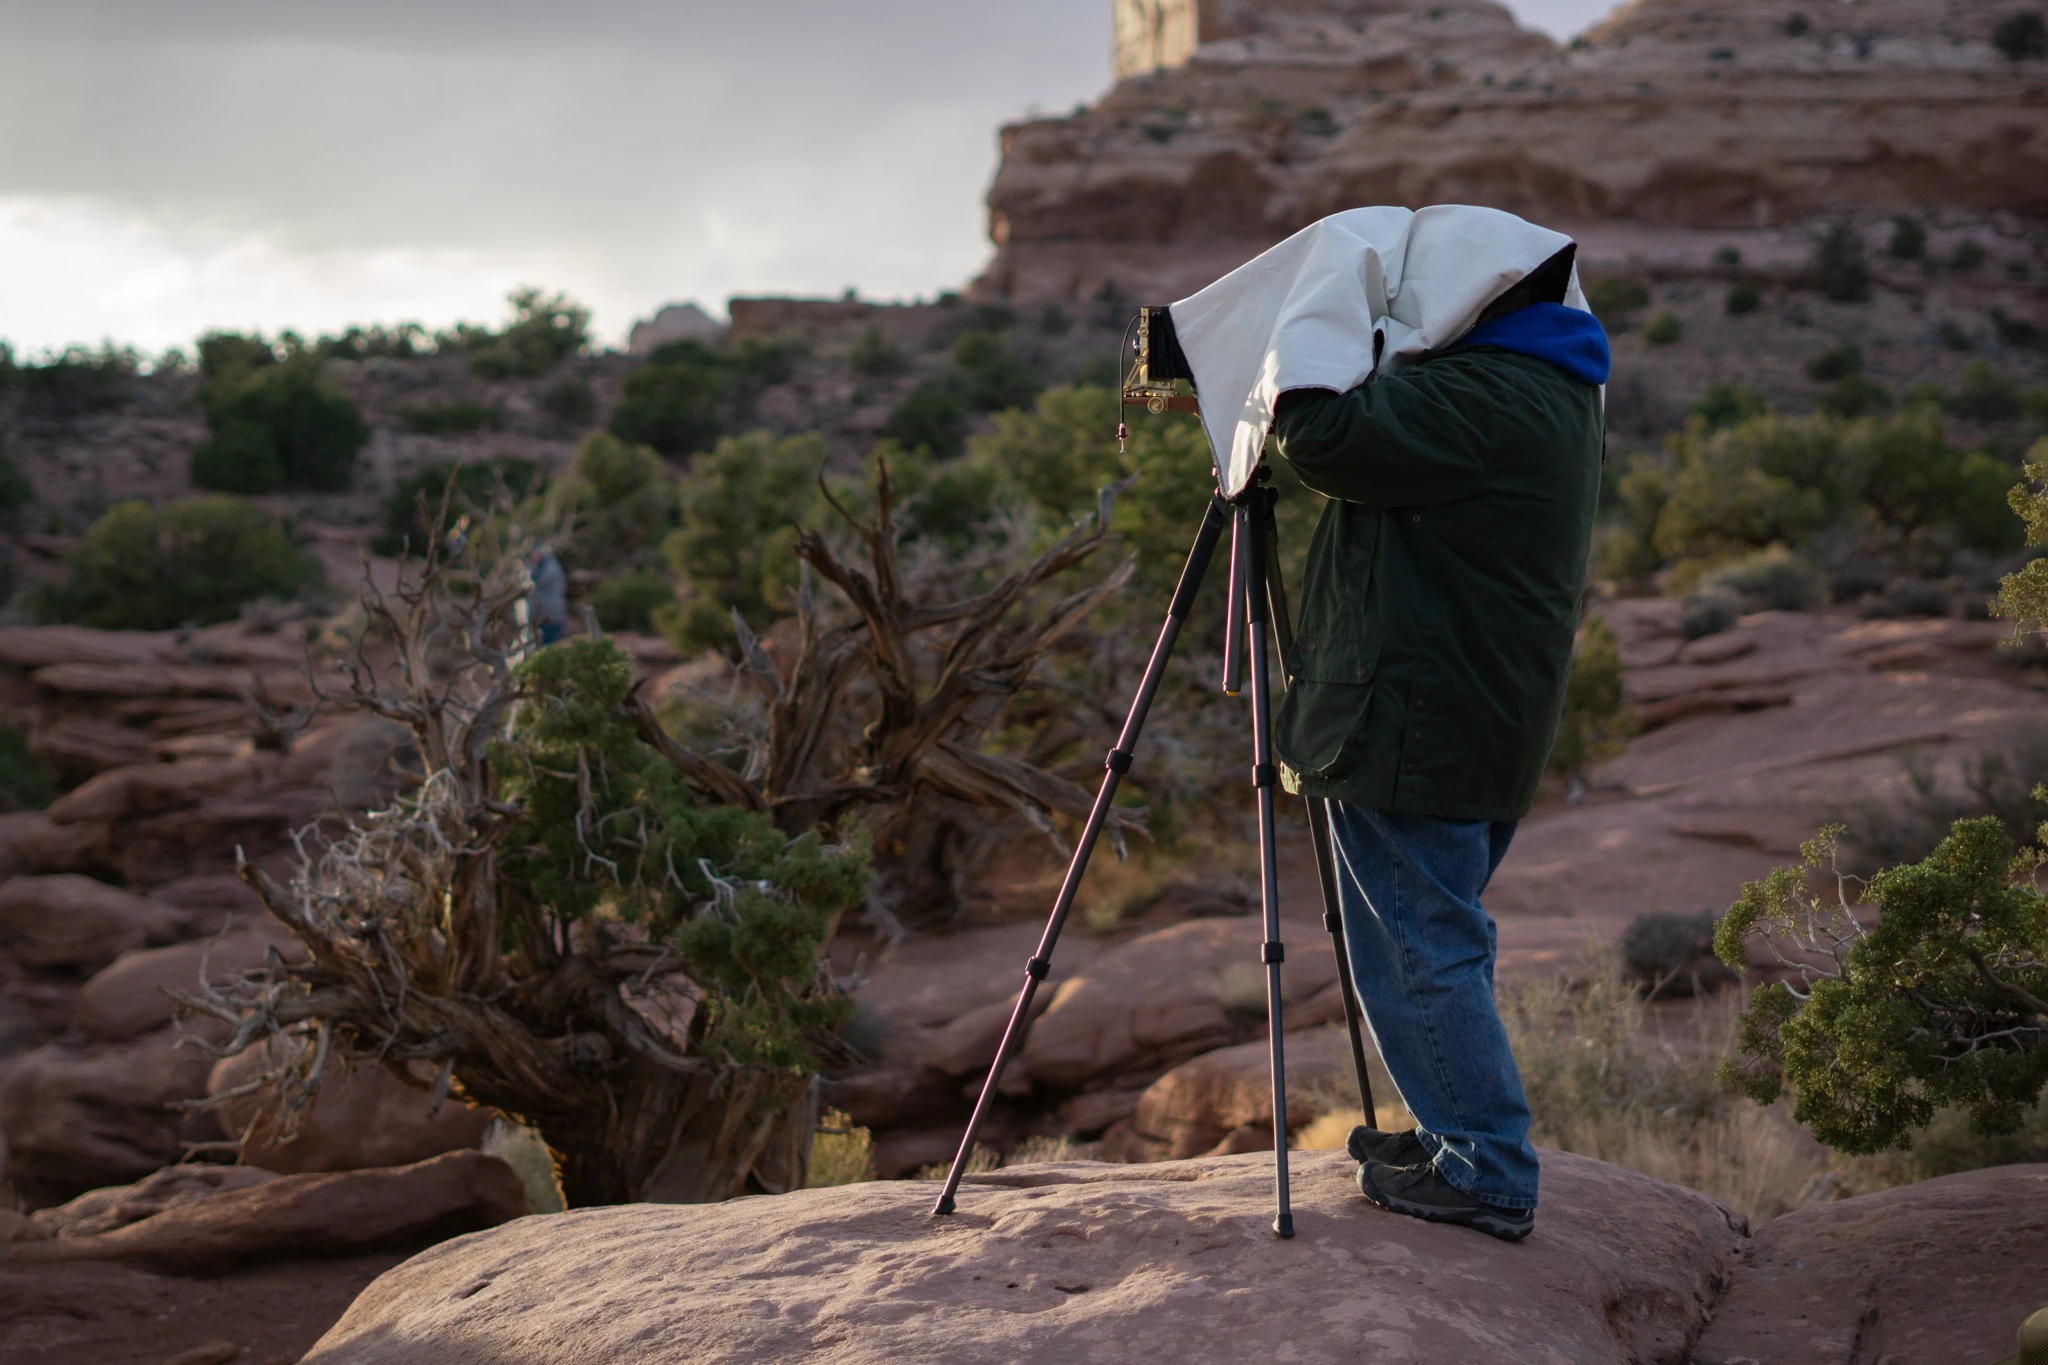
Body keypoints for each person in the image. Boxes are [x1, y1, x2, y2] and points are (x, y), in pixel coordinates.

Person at [1268, 248, 1610, 1241]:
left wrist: (1314, 313)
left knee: (1420, 944)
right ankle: (1451, 1133)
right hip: (1465, 715)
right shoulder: (1548, 384)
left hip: (1416, 718)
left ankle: (1486, 1172)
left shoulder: (1485, 392)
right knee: (1431, 931)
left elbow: (1322, 439)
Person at [524, 544, 568, 646]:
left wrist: (528, 569)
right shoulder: (543, 566)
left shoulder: (549, 567)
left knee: (548, 646)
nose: (531, 557)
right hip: (543, 616)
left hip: (551, 616)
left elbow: (537, 582)